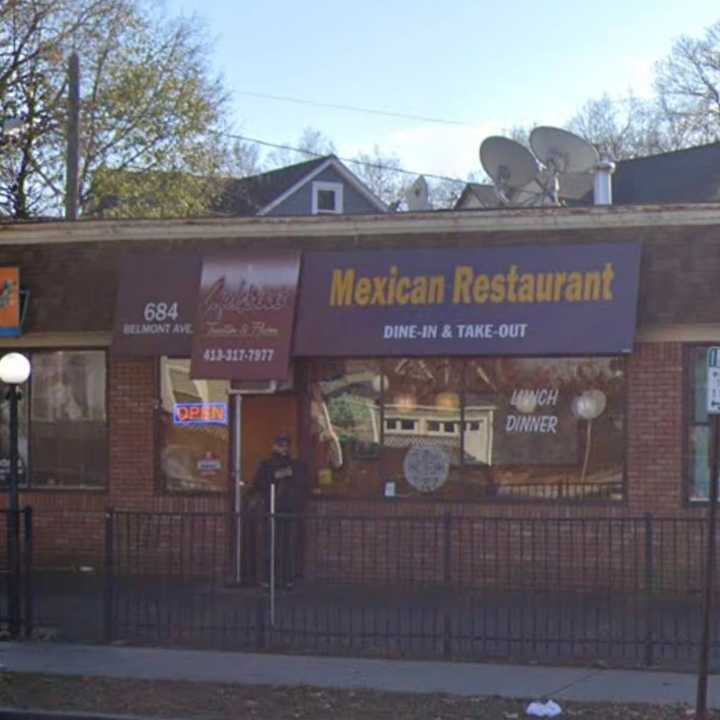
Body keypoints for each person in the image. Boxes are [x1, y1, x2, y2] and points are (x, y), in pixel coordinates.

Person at [243, 432, 309, 589]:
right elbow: (259, 483)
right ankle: (269, 578)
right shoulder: (267, 465)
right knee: (270, 545)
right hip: (271, 508)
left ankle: (286, 578)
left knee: (286, 545)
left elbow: (302, 482)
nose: (283, 448)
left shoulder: (294, 464)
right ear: (274, 446)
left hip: (286, 509)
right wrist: (277, 475)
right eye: (280, 444)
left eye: (285, 445)